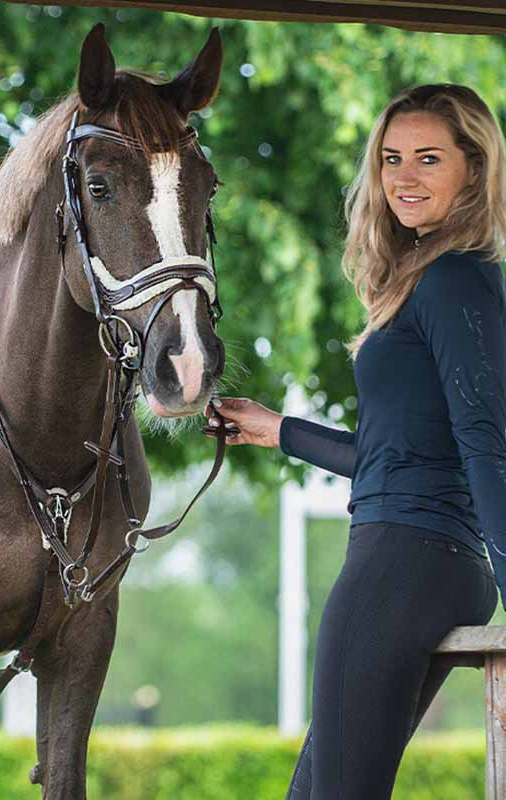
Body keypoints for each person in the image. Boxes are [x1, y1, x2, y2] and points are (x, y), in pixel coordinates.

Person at [206, 84, 506, 799]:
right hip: (422, 558)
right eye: (392, 158)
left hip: (403, 564)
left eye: (428, 159)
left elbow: (485, 440)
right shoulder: (430, 280)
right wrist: (279, 429)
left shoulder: (454, 279)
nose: (403, 177)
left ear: (475, 167)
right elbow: (391, 456)